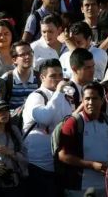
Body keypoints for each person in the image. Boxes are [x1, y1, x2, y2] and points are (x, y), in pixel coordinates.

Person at [55, 82, 108, 197]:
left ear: (102, 100)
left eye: (94, 98)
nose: (90, 102)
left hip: (106, 187)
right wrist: (91, 165)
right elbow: (62, 155)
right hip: (79, 188)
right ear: (82, 101)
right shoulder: (73, 123)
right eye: (87, 99)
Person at [22, 59, 74, 193]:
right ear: (42, 77)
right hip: (37, 166)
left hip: (59, 165)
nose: (58, 79)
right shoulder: (36, 96)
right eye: (53, 76)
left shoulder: (63, 96)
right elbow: (44, 118)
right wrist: (58, 92)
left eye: (60, 75)